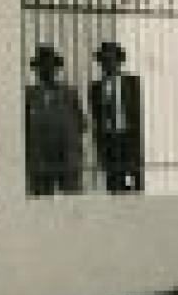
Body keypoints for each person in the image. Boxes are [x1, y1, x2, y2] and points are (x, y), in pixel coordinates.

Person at [24, 43, 86, 195]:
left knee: (71, 196)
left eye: (50, 67)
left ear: (56, 69)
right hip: (40, 159)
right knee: (42, 198)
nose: (47, 71)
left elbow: (82, 123)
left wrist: (72, 144)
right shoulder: (29, 95)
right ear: (37, 71)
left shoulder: (70, 93)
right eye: (42, 67)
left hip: (66, 157)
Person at [87, 41, 146, 194]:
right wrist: (99, 147)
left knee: (136, 184)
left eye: (112, 60)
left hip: (128, 139)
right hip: (109, 140)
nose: (109, 64)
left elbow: (137, 115)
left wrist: (138, 146)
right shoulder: (96, 88)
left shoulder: (132, 83)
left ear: (119, 61)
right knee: (114, 184)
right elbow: (96, 119)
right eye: (105, 61)